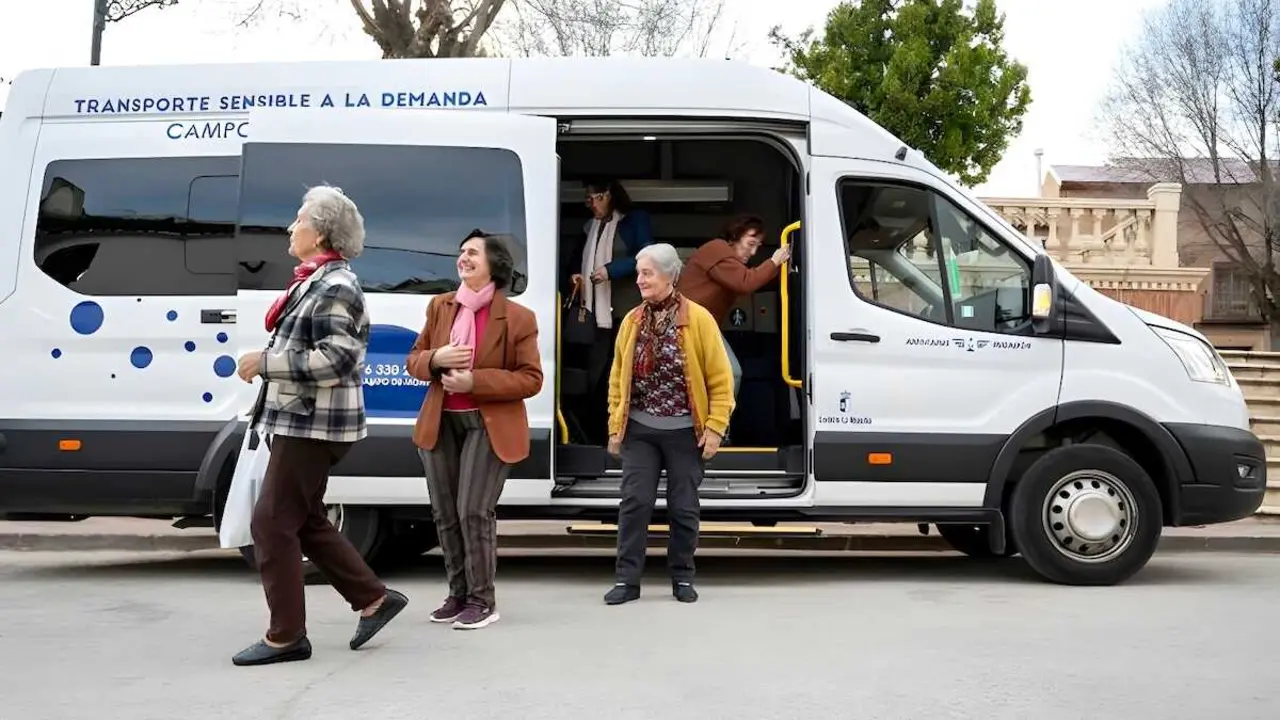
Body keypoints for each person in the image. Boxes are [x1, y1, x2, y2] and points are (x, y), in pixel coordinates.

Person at [232, 185, 407, 667]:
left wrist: (267, 362)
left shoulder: (336, 286)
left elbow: (338, 359)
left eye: (299, 220)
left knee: (270, 522)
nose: (291, 228)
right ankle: (373, 598)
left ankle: (286, 636)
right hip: (304, 419)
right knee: (303, 518)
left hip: (313, 424)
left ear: (322, 232)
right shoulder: (315, 281)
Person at [407, 230, 544, 630]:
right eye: (461, 252)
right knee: (445, 512)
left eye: (472, 253)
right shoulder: (440, 307)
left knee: (472, 510)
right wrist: (437, 358)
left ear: (493, 265)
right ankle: (458, 594)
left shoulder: (518, 317)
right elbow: (413, 361)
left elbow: (530, 379)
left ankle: (483, 600)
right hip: (440, 420)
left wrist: (475, 382)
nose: (462, 258)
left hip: (488, 423)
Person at [603, 243, 735, 606]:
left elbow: (721, 380)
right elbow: (617, 378)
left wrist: (715, 428)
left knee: (683, 506)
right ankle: (626, 581)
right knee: (635, 502)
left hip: (684, 431)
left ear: (668, 275)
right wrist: (616, 426)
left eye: (647, 272)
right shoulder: (631, 321)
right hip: (640, 429)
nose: (640, 279)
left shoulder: (699, 319)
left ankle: (682, 577)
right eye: (639, 273)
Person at [560, 178, 655, 444]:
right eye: (588, 199)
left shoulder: (634, 220)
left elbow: (645, 256)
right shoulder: (589, 226)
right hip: (593, 314)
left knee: (625, 374)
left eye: (596, 198)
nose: (592, 204)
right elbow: (575, 260)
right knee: (597, 376)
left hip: (623, 311)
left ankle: (625, 433)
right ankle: (598, 434)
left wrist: (610, 270)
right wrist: (575, 276)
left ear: (611, 195)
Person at [677, 215, 791, 398]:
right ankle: (716, 423)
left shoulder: (725, 260)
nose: (753, 252)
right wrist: (774, 261)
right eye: (750, 243)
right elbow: (746, 282)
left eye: (757, 246)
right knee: (730, 374)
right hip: (689, 325)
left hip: (698, 326)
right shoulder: (717, 249)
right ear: (735, 236)